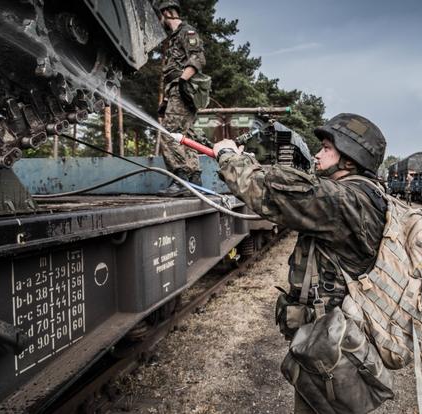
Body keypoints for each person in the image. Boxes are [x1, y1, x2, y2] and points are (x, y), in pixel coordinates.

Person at [213, 113, 387, 413]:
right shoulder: (366, 194)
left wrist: (227, 155)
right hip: (339, 334)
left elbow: (267, 193)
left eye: (327, 148)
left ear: (349, 159)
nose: (318, 154)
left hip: (331, 339)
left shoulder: (342, 199)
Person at [155, 0, 209, 195]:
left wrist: (182, 83)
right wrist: (168, 99)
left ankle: (181, 180)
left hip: (183, 89)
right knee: (186, 137)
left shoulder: (187, 31)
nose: (159, 21)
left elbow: (198, 58)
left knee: (170, 133)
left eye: (159, 16)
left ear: (167, 13)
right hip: (177, 91)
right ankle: (194, 181)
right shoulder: (175, 37)